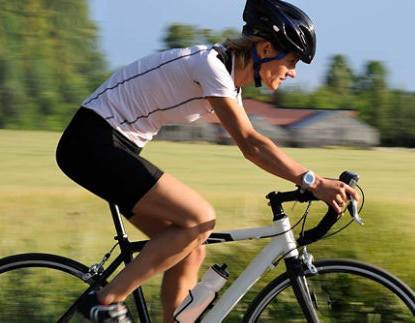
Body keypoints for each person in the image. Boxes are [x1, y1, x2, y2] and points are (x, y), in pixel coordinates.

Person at [56, 0, 358, 322]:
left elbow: (253, 146)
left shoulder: (225, 81)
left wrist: (308, 180)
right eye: (293, 61)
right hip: (93, 142)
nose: (294, 73)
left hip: (111, 146)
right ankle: (105, 301)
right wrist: (313, 181)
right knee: (200, 219)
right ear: (267, 48)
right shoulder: (211, 67)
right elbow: (251, 144)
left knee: (190, 250)